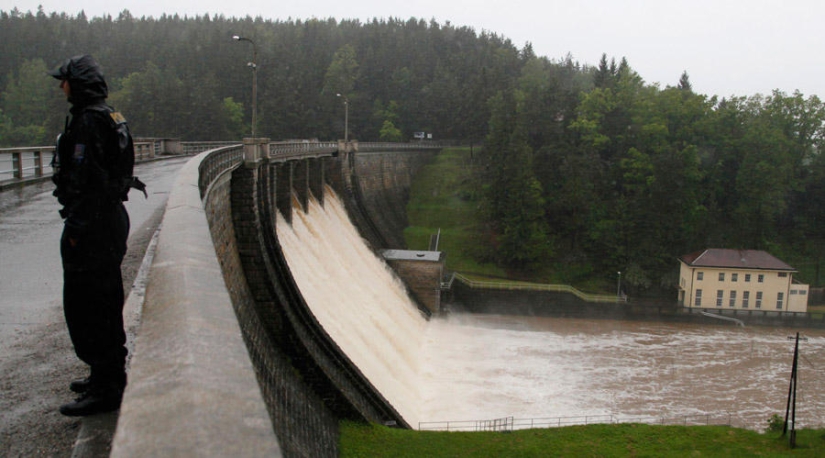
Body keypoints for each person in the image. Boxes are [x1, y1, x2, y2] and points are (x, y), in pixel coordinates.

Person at [49, 55, 143, 416]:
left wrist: (75, 230)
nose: (61, 86)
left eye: (65, 80)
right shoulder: (110, 115)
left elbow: (89, 182)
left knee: (89, 305)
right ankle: (104, 375)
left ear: (79, 83)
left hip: (94, 226)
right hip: (109, 220)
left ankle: (107, 387)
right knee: (101, 302)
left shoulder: (89, 122)